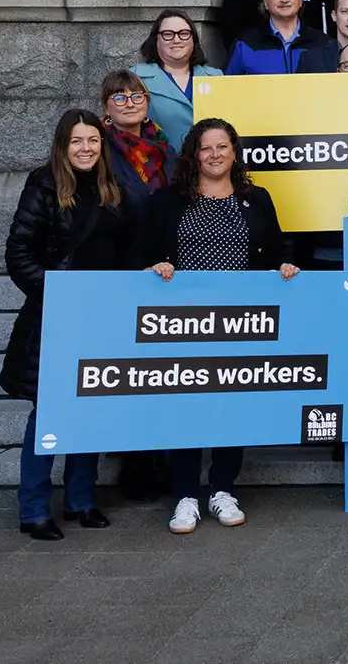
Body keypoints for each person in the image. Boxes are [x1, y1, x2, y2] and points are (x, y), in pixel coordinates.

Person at [142, 118, 298, 534]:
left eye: (222, 147)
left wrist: (283, 264)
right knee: (187, 406)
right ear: (194, 155)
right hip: (183, 323)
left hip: (240, 322)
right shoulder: (168, 200)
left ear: (234, 152)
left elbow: (276, 248)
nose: (214, 155)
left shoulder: (257, 198)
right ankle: (186, 496)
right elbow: (148, 252)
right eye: (205, 148)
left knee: (232, 405)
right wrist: (156, 265)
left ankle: (223, 489)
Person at [0, 108, 134, 540]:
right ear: (63, 145)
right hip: (56, 318)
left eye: (93, 140)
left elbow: (126, 250)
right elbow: (19, 253)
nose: (86, 148)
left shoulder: (112, 187)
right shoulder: (43, 186)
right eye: (77, 141)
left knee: (90, 410)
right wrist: (59, 295)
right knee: (49, 414)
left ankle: (81, 500)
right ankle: (34, 508)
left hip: (103, 317)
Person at [131, 9, 219, 149]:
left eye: (184, 34)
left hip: (208, 165)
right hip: (158, 165)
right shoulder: (136, 78)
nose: (176, 40)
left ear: (193, 39)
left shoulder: (216, 77)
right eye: (168, 34)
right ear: (156, 40)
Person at [98, 70, 173, 222]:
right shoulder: (97, 148)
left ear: (147, 103)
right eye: (119, 98)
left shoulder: (163, 146)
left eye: (137, 96)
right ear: (106, 108)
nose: (130, 104)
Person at [226, 0, 326, 75]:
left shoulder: (322, 43)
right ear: (265, 2)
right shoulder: (244, 45)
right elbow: (227, 87)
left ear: (300, 0)